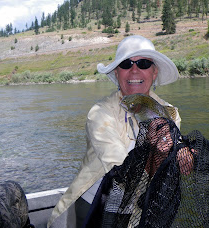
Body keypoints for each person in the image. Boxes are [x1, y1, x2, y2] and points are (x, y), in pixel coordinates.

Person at [48, 35, 181, 228]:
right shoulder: (100, 113)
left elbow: (169, 167)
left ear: (154, 72)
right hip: (96, 204)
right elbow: (117, 165)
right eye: (126, 64)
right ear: (117, 74)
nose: (134, 70)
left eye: (143, 63)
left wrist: (176, 156)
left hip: (143, 208)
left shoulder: (171, 114)